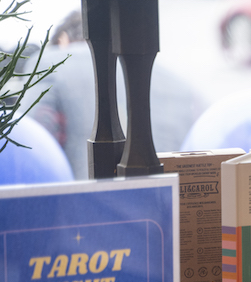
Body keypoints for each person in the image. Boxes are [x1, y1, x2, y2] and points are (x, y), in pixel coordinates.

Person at [31, 10, 207, 179]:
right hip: (171, 197)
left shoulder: (51, 65)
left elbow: (31, 152)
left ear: (63, 40)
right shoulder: (183, 87)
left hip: (91, 197)